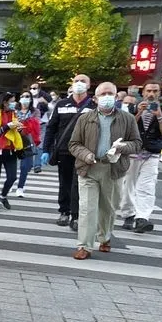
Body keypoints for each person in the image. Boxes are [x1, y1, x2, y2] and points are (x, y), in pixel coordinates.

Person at [68, 81, 142, 260]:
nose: (107, 97)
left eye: (110, 94)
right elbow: (74, 144)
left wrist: (121, 147)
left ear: (116, 97)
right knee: (87, 208)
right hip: (89, 168)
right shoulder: (85, 119)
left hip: (113, 169)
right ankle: (84, 246)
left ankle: (105, 238)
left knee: (108, 208)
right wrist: (86, 155)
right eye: (103, 94)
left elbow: (137, 143)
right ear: (95, 98)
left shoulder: (127, 119)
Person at [42, 74, 93, 230]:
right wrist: (46, 149)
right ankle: (64, 211)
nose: (79, 84)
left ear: (89, 85)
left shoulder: (94, 105)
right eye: (76, 81)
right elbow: (51, 127)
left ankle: (76, 216)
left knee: (80, 184)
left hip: (85, 152)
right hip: (64, 150)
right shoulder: (62, 104)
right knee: (65, 183)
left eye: (83, 81)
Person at [119, 81, 162, 233]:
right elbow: (125, 131)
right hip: (133, 152)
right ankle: (128, 214)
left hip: (151, 153)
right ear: (142, 92)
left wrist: (160, 116)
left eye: (155, 91)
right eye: (149, 91)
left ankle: (142, 218)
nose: (151, 94)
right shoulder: (131, 107)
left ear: (159, 93)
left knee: (147, 186)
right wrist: (137, 113)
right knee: (127, 185)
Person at [0, 92, 25, 212]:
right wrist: (8, 125)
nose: (14, 103)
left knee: (12, 177)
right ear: (4, 102)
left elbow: (16, 131)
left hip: (10, 149)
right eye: (12, 101)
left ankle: (3, 196)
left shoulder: (13, 114)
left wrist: (18, 128)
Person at [15, 91, 43, 197]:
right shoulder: (14, 110)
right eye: (22, 96)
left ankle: (20, 187)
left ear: (31, 99)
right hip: (14, 139)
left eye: (27, 96)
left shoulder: (35, 111)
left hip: (28, 140)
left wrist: (23, 124)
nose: (24, 98)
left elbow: (36, 123)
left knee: (26, 166)